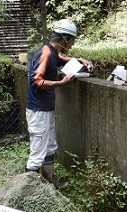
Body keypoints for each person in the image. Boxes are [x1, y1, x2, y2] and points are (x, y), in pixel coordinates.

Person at [25, 19, 94, 188]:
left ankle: (49, 182)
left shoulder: (53, 52)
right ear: (65, 39)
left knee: (49, 146)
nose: (71, 45)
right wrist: (61, 83)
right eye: (72, 41)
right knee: (37, 152)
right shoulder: (46, 53)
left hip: (46, 109)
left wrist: (80, 60)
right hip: (38, 110)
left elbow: (62, 59)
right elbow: (37, 81)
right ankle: (28, 191)